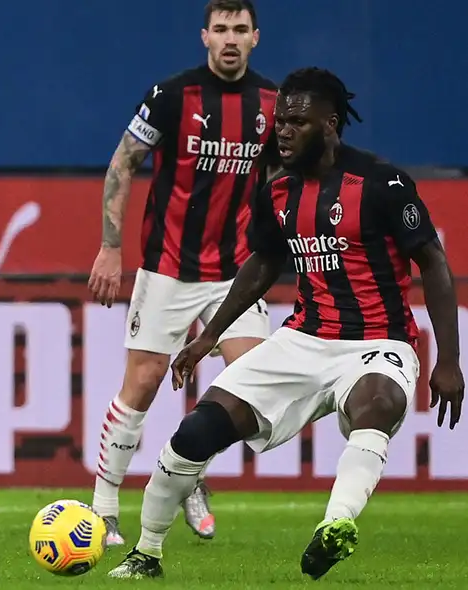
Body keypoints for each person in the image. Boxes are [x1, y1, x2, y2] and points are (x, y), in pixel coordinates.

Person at [107, 67, 465, 581]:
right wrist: (209, 335)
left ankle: (335, 526)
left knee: (378, 404)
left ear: (331, 123)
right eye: (280, 121)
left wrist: (448, 361)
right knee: (196, 431)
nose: (283, 131)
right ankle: (147, 552)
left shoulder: (382, 184)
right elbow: (262, 263)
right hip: (302, 339)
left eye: (297, 121)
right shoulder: (277, 190)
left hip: (378, 342)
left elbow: (433, 263)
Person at [86, 0, 279, 545]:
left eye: (240, 29)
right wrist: (109, 245)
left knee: (248, 389)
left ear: (256, 37)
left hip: (236, 271)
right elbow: (124, 161)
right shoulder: (173, 96)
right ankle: (103, 507)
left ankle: (184, 468)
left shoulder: (272, 102)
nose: (231, 39)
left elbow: (284, 180)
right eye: (221, 29)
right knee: (142, 383)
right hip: (169, 265)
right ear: (205, 36)